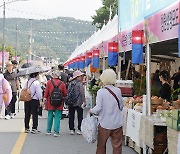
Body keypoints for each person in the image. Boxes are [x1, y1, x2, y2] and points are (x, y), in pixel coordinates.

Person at [89, 69, 124, 154]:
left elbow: (98, 108)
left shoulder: (101, 92)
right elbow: (121, 106)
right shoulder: (118, 90)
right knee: (117, 146)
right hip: (117, 123)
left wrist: (91, 111)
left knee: (101, 146)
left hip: (104, 123)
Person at [43, 71, 67, 137]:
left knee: (50, 115)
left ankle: (48, 130)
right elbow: (65, 93)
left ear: (53, 75)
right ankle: (56, 132)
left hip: (50, 101)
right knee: (58, 116)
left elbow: (46, 92)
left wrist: (45, 99)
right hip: (59, 102)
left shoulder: (49, 82)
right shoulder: (62, 83)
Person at [68, 70, 86, 135]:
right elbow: (82, 93)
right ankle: (79, 129)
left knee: (71, 115)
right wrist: (84, 101)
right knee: (80, 116)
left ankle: (71, 129)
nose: (82, 77)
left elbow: (68, 92)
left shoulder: (70, 83)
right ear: (77, 77)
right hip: (79, 102)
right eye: (81, 76)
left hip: (71, 102)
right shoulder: (80, 84)